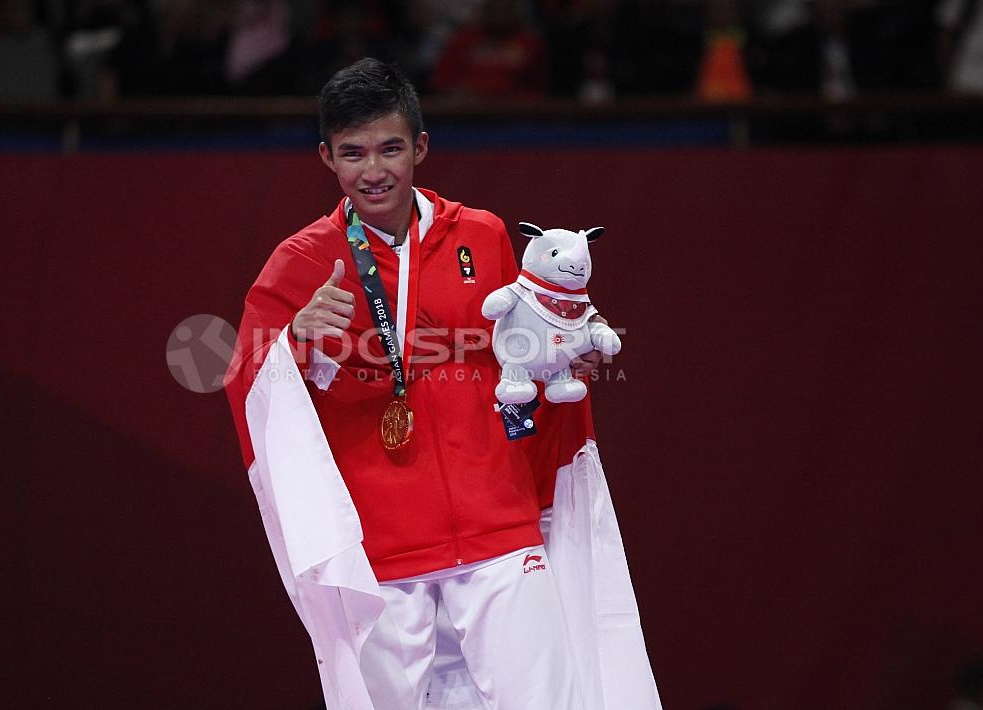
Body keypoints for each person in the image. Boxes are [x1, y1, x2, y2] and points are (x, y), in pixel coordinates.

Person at [225, 57, 660, 709]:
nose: (374, 170)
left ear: (420, 147)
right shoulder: (304, 261)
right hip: (383, 552)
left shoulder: (481, 236)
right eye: (354, 153)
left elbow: (522, 350)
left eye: (391, 149)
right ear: (327, 158)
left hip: (498, 529)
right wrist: (296, 341)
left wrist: (561, 361)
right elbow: (249, 387)